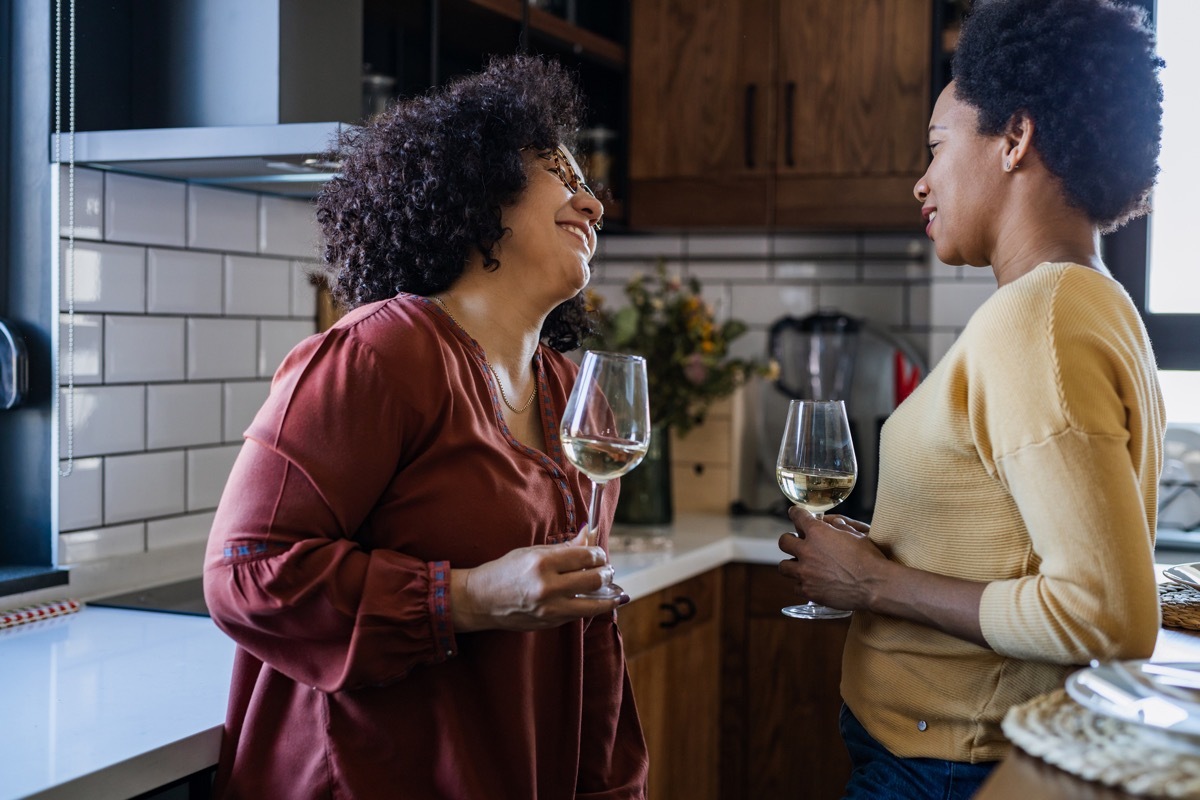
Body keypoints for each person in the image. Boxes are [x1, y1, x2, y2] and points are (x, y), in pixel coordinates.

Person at [203, 54, 648, 799]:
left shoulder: (574, 394)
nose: (594, 205)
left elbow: (586, 626)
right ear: (479, 191)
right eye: (563, 177)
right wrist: (467, 597)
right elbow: (244, 575)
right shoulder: (379, 353)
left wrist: (609, 787)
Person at [777, 1, 1167, 797]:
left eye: (937, 146)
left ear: (1015, 139)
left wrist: (873, 585)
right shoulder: (1088, 301)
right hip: (937, 754)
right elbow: (1012, 532)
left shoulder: (1041, 315)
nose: (921, 180)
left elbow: (1106, 615)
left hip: (944, 767)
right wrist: (887, 549)